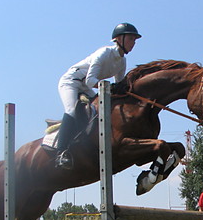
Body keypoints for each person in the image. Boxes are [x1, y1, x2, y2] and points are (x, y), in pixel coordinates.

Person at [55, 22, 141, 169]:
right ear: (119, 39)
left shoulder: (122, 61)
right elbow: (90, 80)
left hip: (88, 86)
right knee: (72, 110)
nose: (133, 43)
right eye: (131, 39)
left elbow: (119, 85)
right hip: (72, 82)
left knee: (96, 112)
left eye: (134, 40)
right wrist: (111, 87)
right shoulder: (104, 53)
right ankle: (60, 153)